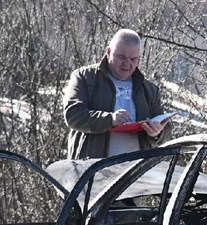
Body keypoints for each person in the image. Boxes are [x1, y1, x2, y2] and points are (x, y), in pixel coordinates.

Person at [62, 29, 171, 159]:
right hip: (91, 169)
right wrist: (109, 120)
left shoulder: (149, 89)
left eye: (133, 59)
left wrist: (157, 133)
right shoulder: (84, 77)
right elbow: (73, 115)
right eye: (121, 57)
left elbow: (166, 131)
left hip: (135, 172)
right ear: (108, 52)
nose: (127, 64)